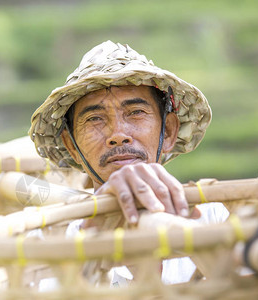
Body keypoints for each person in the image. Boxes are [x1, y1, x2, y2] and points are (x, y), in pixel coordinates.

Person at [29, 40, 228, 285]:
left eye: (136, 112)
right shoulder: (49, 240)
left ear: (169, 133)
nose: (118, 134)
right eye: (94, 118)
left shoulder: (215, 220)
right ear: (72, 146)